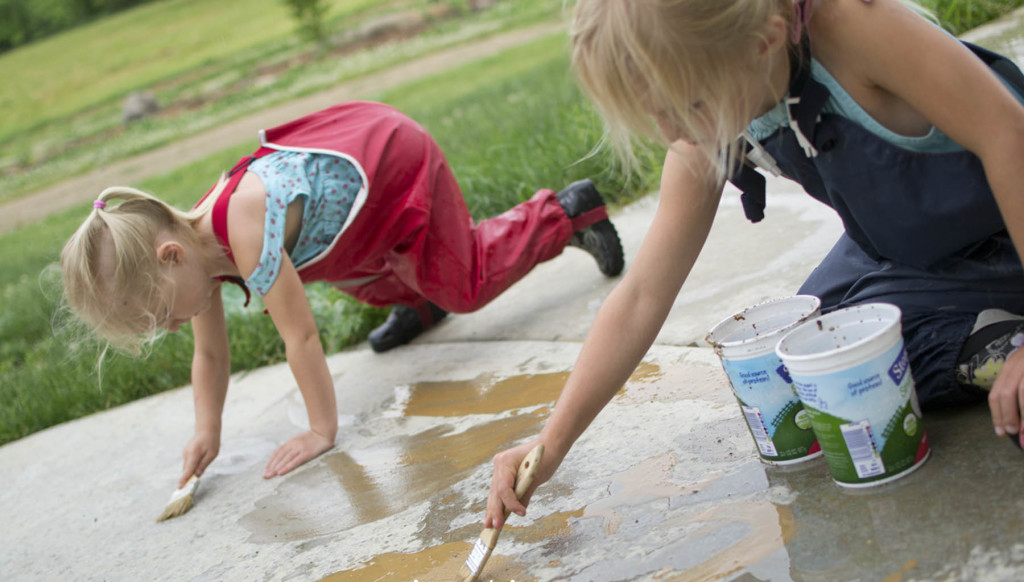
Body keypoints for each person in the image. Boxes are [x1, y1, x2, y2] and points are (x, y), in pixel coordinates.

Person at [485, 0, 1024, 529]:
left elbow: (1010, 135)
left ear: (764, 40)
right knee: (805, 374)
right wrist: (551, 443)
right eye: (657, 113)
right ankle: (976, 333)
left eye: (686, 105)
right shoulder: (723, 83)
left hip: (1005, 232)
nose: (674, 131)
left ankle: (1000, 348)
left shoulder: (854, 25)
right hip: (910, 249)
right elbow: (643, 293)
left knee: (859, 378)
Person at [61, 100, 624, 486]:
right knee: (368, 279)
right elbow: (209, 356)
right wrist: (207, 431)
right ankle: (416, 301)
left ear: (170, 256)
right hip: (353, 228)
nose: (171, 327)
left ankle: (567, 214)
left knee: (464, 283)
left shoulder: (242, 232)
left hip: (394, 164)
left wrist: (320, 430)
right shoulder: (195, 262)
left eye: (161, 315)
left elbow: (300, 336)